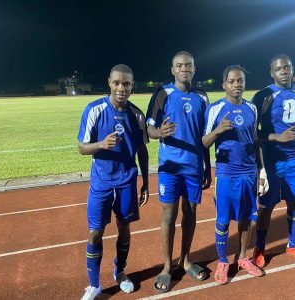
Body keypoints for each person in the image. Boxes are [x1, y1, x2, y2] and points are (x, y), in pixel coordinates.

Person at [77, 64, 149, 300]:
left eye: (126, 84)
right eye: (117, 83)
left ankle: (120, 271)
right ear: (109, 82)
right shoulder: (94, 110)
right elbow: (81, 147)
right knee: (95, 231)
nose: (121, 88)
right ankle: (94, 285)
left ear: (132, 86)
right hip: (102, 182)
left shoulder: (137, 114)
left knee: (124, 227)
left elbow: (142, 151)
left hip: (127, 180)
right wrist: (100, 145)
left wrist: (146, 182)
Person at [146, 51, 212, 293]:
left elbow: (205, 136)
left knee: (190, 213)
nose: (185, 69)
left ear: (194, 69)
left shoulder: (202, 97)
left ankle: (185, 260)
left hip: (194, 166)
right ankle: (166, 266)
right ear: (172, 69)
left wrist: (207, 165)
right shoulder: (163, 93)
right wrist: (160, 133)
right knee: (168, 215)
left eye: (189, 65)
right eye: (179, 65)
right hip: (170, 168)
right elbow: (149, 130)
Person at [202, 65, 267, 285]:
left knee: (247, 218)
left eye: (240, 81)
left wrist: (262, 169)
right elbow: (203, 142)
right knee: (222, 221)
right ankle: (222, 261)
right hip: (226, 173)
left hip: (249, 173)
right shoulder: (215, 109)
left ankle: (242, 258)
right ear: (224, 85)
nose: (237, 84)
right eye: (232, 81)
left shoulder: (252, 108)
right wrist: (218, 130)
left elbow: (256, 140)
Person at [252, 54, 295, 268]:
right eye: (279, 68)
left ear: (292, 68)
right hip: (271, 162)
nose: (284, 71)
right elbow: (252, 133)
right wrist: (274, 138)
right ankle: (260, 248)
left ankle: (293, 245)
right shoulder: (262, 96)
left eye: (287, 67)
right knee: (265, 208)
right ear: (272, 72)